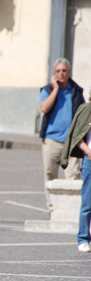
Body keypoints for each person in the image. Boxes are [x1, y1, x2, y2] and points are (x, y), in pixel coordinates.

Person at [39, 58, 85, 215]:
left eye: (64, 70)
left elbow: (84, 115)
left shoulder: (76, 91)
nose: (61, 74)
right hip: (52, 140)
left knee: (73, 175)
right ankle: (52, 209)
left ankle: (72, 210)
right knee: (50, 175)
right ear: (54, 73)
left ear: (68, 72)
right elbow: (44, 108)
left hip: (72, 142)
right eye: (58, 71)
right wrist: (55, 90)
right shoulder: (47, 90)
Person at [60, 99, 91, 252]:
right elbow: (77, 136)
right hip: (90, 160)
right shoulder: (86, 109)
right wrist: (88, 152)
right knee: (88, 201)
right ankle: (83, 238)